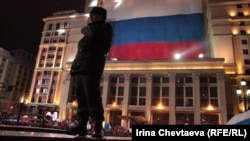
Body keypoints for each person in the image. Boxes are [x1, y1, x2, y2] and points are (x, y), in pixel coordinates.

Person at [66, 6, 113, 139]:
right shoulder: (91, 30)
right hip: (81, 67)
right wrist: (74, 67)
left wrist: (87, 26)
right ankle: (81, 126)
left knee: (92, 97)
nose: (91, 17)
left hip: (92, 67)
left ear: (100, 16)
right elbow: (80, 52)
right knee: (81, 98)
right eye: (91, 15)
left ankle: (98, 127)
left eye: (93, 15)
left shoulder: (104, 28)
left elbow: (89, 32)